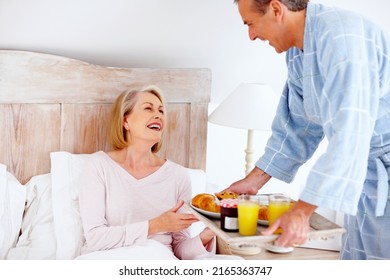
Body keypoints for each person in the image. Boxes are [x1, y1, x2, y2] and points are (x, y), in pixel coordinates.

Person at [221, 0, 390, 259]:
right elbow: (298, 127)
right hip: (365, 178)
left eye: (251, 24)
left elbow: (350, 133)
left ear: (277, 10)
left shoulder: (341, 37)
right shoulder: (299, 51)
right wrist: (254, 181)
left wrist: (302, 211)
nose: (252, 36)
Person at [77, 85, 215, 260]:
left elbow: (180, 250)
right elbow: (95, 238)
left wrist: (209, 233)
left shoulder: (177, 176)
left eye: (161, 111)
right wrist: (154, 226)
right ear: (125, 121)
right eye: (148, 108)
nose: (158, 115)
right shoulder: (99, 165)